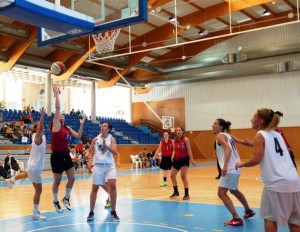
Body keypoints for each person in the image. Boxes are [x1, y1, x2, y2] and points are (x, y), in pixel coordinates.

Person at [236, 109, 300, 232]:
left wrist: (241, 164)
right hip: (294, 182)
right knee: (295, 221)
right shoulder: (277, 134)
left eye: (253, 117)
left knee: (270, 218)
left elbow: (257, 159)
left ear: (260, 120)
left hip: (276, 183)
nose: (251, 120)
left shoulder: (260, 135)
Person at [6, 108, 47, 221]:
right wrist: (42, 116)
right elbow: (39, 131)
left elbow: (33, 145)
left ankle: (11, 180)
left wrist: (30, 147)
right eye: (40, 126)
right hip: (36, 167)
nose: (42, 127)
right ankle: (35, 213)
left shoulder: (38, 137)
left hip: (32, 165)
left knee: (25, 175)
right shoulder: (38, 136)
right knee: (39, 190)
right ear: (38, 128)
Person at [212, 118, 255, 227]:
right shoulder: (229, 136)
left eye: (215, 124)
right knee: (234, 190)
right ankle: (248, 210)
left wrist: (225, 166)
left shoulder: (220, 136)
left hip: (230, 168)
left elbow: (228, 149)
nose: (213, 125)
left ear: (221, 127)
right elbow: (244, 142)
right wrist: (254, 144)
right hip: (236, 167)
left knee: (221, 193)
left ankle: (236, 218)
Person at [51, 84, 86, 213]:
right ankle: (55, 200)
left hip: (65, 154)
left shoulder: (67, 128)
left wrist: (81, 125)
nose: (62, 115)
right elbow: (58, 107)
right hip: (56, 156)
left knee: (72, 178)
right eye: (59, 115)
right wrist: (57, 93)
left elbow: (78, 136)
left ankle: (66, 198)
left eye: (62, 115)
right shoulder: (56, 126)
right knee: (58, 181)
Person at [86, 122, 120, 222]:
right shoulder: (96, 139)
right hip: (98, 165)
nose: (102, 127)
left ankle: (113, 211)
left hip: (109, 165)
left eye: (105, 126)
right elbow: (90, 150)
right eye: (102, 126)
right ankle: (91, 212)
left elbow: (114, 152)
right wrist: (86, 156)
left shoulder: (111, 139)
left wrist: (106, 146)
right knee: (95, 188)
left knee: (112, 185)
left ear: (108, 129)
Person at [170, 127, 196, 200]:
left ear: (182, 132)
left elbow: (189, 150)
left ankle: (186, 194)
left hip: (184, 159)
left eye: (179, 130)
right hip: (176, 159)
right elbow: (174, 150)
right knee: (172, 176)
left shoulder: (186, 139)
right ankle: (176, 192)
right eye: (177, 130)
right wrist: (172, 155)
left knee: (183, 176)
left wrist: (192, 159)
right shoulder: (174, 140)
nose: (178, 131)